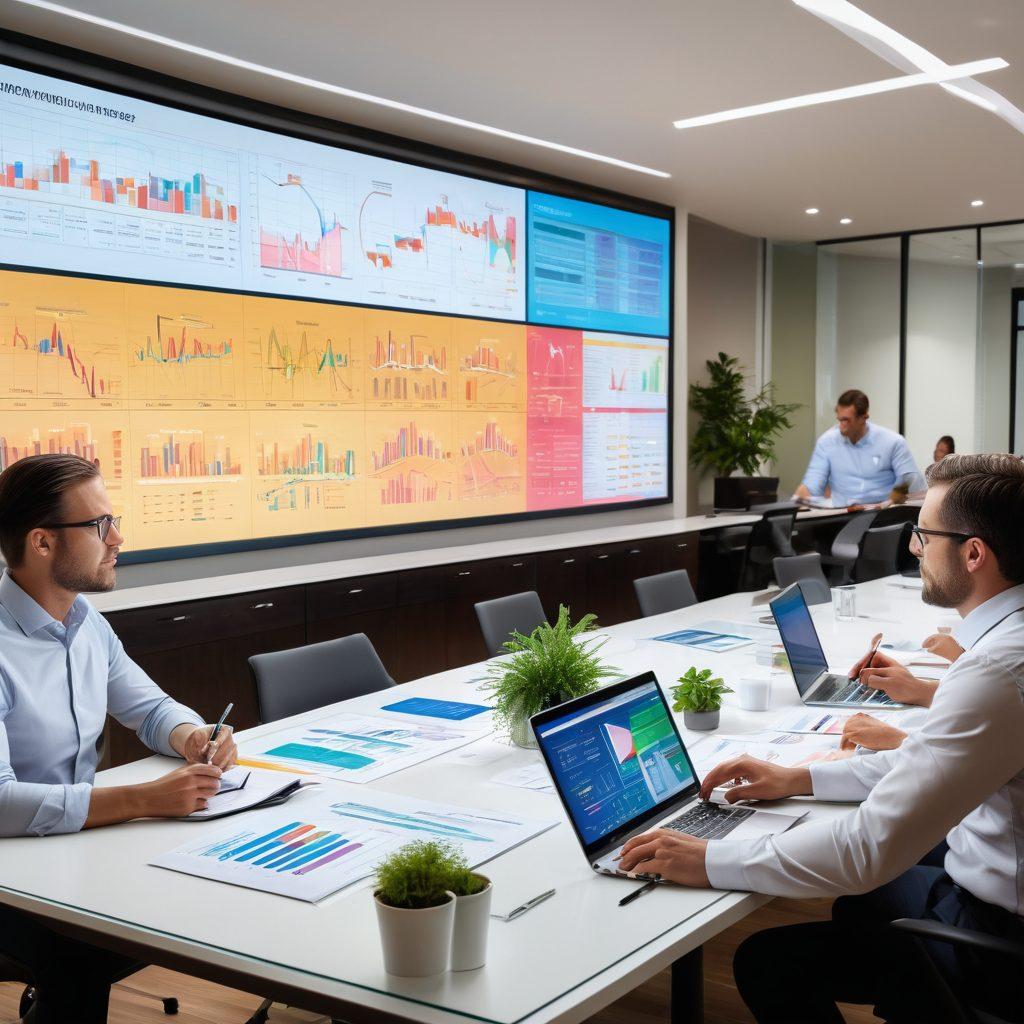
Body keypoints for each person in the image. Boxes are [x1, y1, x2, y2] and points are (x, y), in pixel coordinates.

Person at [619, 453, 1024, 1022]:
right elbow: (929, 762)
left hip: (1003, 943)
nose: (915, 548)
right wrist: (798, 777)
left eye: (923, 535)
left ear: (974, 553)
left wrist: (710, 858)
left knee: (767, 961)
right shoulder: (1007, 646)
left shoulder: (995, 672)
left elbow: (866, 850)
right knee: (861, 905)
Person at [0, 454, 239, 1023]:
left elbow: (151, 708)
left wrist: (192, 736)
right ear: (41, 543)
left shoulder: (86, 622)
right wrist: (139, 801)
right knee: (89, 948)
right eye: (99, 525)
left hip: (71, 848)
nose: (118, 538)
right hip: (11, 872)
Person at [794, 389, 924, 506]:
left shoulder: (893, 442)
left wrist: (890, 501)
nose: (841, 426)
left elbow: (909, 478)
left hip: (881, 515)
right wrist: (795, 504)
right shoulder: (826, 442)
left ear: (863, 418)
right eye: (840, 420)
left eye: (846, 420)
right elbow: (811, 486)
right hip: (841, 516)